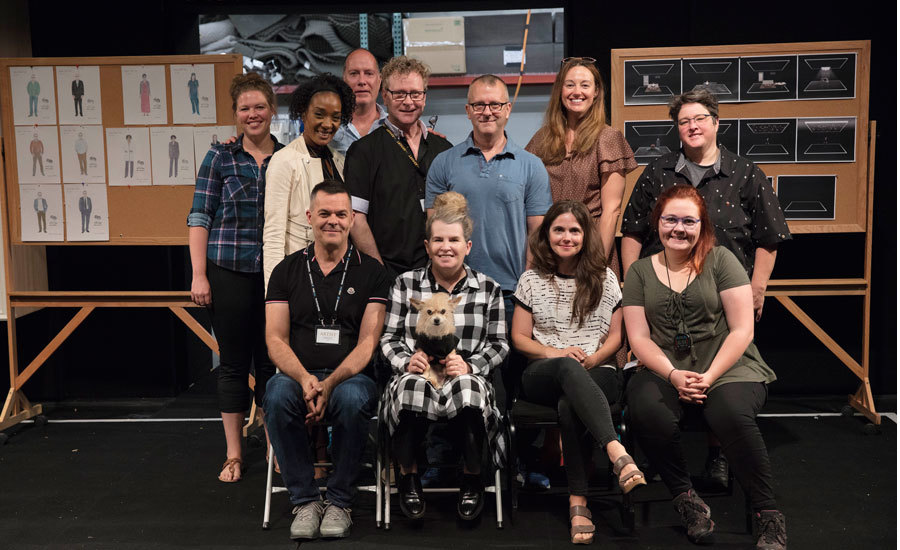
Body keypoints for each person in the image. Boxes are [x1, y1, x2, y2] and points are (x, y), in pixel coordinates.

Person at [620, 87, 791, 489]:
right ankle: (665, 459)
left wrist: (758, 288)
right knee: (657, 381)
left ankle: (719, 454)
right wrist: (634, 286)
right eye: (684, 121)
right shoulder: (659, 172)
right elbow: (631, 232)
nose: (692, 126)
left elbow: (769, 237)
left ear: (716, 123)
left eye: (699, 119)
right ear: (677, 128)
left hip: (724, 298)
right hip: (663, 297)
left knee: (723, 381)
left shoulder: (745, 173)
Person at [623, 184, 787, 549]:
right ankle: (686, 499)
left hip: (729, 365)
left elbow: (744, 329)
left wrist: (709, 377)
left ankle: (768, 515)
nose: (678, 228)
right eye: (670, 219)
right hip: (665, 366)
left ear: (702, 225)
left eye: (688, 221)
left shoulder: (722, 260)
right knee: (646, 407)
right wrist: (673, 375)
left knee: (729, 412)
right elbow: (639, 339)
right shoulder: (638, 272)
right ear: (657, 222)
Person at [510, 200, 646, 544]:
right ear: (547, 235)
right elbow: (519, 338)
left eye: (574, 230)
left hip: (597, 369)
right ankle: (616, 452)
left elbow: (617, 337)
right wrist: (558, 354)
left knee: (570, 404)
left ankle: (578, 502)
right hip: (541, 371)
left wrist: (594, 358)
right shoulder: (530, 279)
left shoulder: (605, 277)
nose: (566, 237)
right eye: (559, 230)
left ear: (585, 236)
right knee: (567, 372)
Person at [264, 180, 390, 541]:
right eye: (324, 213)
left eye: (340, 214)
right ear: (309, 217)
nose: (332, 220)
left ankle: (339, 501)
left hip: (350, 378)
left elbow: (369, 341)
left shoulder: (372, 273)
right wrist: (306, 379)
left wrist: (329, 382)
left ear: (352, 219)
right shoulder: (286, 271)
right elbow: (275, 338)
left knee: (351, 399)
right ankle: (304, 500)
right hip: (297, 375)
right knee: (275, 395)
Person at [381, 191, 508, 523]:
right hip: (417, 372)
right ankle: (409, 477)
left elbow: (499, 344)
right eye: (438, 239)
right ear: (427, 246)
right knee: (410, 387)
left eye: (454, 239)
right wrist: (405, 361)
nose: (445, 246)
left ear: (467, 246)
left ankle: (472, 477)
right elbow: (389, 338)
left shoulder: (488, 289)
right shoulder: (405, 286)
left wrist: (471, 365)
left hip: (464, 374)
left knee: (468, 389)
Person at [187, 72, 283, 483]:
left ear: (271, 110)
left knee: (271, 364)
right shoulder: (219, 158)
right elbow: (199, 217)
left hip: (274, 275)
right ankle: (233, 454)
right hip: (226, 271)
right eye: (245, 108)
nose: (252, 114)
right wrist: (199, 275)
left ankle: (277, 449)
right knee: (232, 365)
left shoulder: (287, 156)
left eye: (259, 106)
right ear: (236, 115)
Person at [425, 74, 552, 318]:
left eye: (495, 105)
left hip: (510, 292)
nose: (487, 112)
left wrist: (525, 291)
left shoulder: (531, 166)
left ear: (508, 109)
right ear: (468, 110)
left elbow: (537, 235)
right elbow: (435, 233)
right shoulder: (444, 164)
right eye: (478, 105)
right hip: (455, 291)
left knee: (511, 357)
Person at [345, 55, 453, 279]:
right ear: (385, 95)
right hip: (387, 274)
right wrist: (378, 271)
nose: (408, 101)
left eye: (415, 94)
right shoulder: (363, 151)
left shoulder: (443, 149)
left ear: (424, 96)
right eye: (399, 94)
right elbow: (356, 219)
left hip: (438, 272)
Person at [526, 57, 637, 275]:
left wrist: (594, 265)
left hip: (591, 248)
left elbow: (611, 211)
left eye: (585, 85)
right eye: (570, 85)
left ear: (596, 92)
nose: (577, 92)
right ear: (560, 90)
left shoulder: (608, 138)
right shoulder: (543, 138)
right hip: (550, 248)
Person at [263, 73, 355, 290]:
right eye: (319, 114)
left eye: (335, 117)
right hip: (298, 278)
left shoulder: (338, 161)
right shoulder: (284, 160)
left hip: (334, 276)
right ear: (303, 113)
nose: (328, 124)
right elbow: (274, 235)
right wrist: (274, 295)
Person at [331, 48, 388, 156]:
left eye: (369, 73)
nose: (362, 81)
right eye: (354, 74)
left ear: (379, 80)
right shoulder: (329, 128)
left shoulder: (394, 127)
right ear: (344, 80)